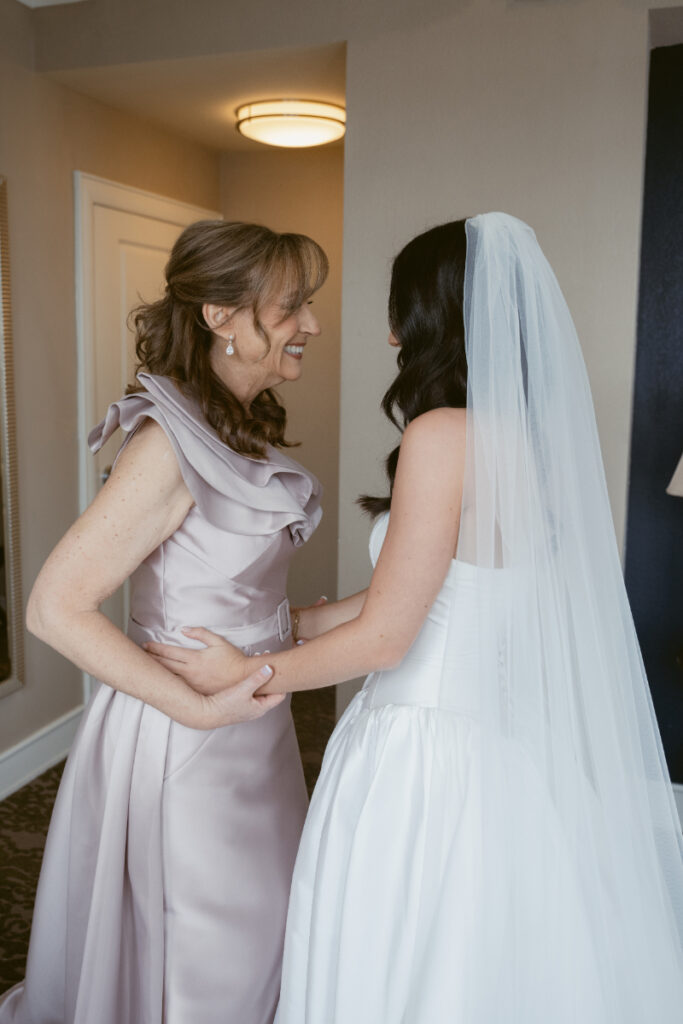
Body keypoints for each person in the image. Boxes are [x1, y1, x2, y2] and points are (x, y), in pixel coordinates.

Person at [148, 213, 683, 1022]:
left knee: (397, 952)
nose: (391, 334)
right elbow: (427, 595)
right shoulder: (526, 442)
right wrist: (289, 622)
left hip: (421, 747)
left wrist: (248, 673)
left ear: (433, 317)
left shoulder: (442, 433)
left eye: (400, 310)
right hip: (494, 745)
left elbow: (389, 637)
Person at [0, 220, 328, 1024]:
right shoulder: (166, 445)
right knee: (208, 944)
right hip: (190, 740)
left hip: (254, 730)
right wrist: (202, 708)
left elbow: (257, 605)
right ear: (220, 315)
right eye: (291, 306)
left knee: (258, 929)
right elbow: (54, 606)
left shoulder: (231, 427)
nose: (311, 325)